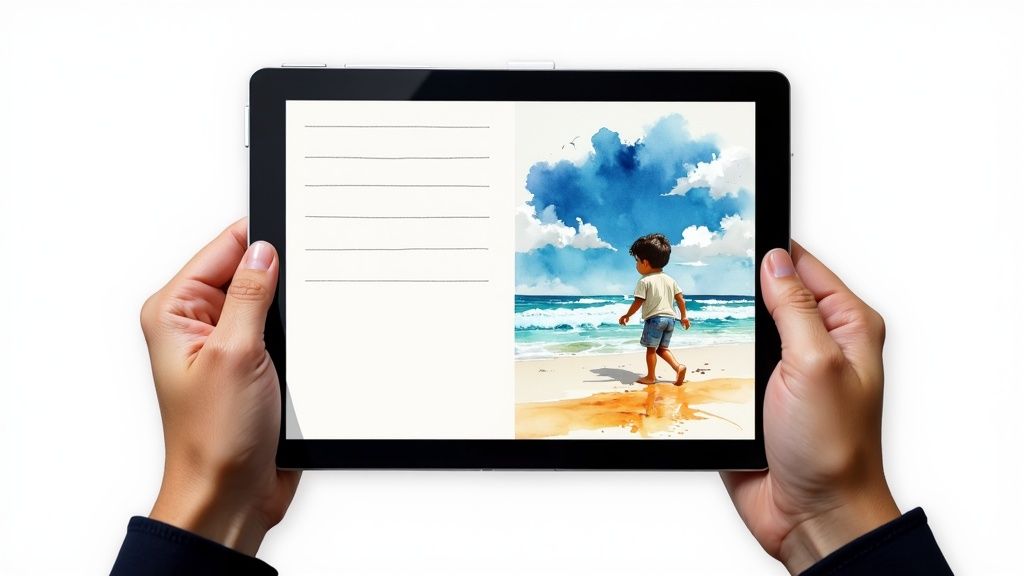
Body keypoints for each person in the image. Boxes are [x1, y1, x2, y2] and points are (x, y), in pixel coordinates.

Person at [111, 218, 953, 575]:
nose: (644, 271)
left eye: (645, 264)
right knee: (653, 358)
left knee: (655, 358)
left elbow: (671, 306)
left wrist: (212, 498)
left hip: (662, 332)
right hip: (659, 337)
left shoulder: (660, 285)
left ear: (653, 259)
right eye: (645, 267)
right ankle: (669, 380)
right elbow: (658, 308)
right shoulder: (648, 286)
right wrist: (832, 514)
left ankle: (670, 381)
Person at [618, 233, 691, 386]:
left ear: (645, 262)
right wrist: (684, 316)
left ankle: (651, 377)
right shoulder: (670, 280)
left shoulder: (644, 281)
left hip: (655, 319)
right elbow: (680, 299)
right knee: (662, 349)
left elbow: (638, 301)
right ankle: (678, 367)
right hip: (671, 320)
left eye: (637, 261)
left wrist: (627, 315)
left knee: (651, 349)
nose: (636, 265)